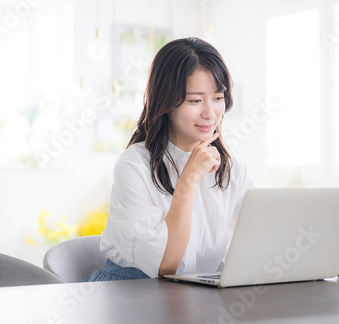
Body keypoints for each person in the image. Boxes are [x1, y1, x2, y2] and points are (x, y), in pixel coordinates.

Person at [86, 37, 255, 281]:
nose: (210, 113)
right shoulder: (134, 164)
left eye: (218, 98)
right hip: (131, 290)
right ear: (166, 102)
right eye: (195, 100)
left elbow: (257, 242)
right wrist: (187, 181)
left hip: (195, 292)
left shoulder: (232, 170)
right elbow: (166, 265)